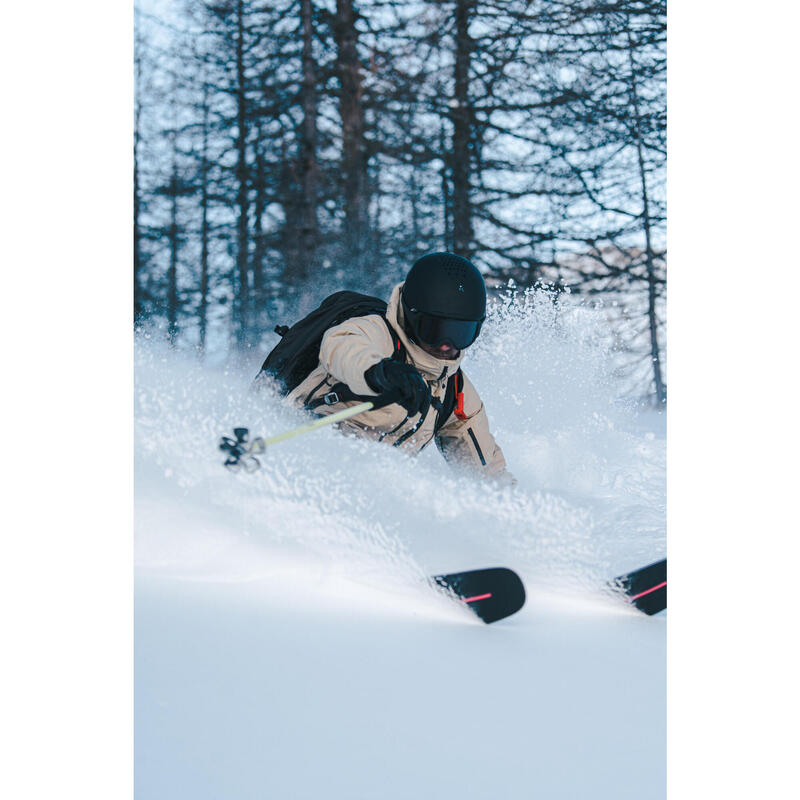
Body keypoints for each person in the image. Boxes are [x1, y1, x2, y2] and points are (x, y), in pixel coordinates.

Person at [285, 252, 513, 484]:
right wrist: (380, 372)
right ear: (412, 318)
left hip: (364, 494)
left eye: (460, 334)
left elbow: (487, 473)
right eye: (434, 330)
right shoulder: (377, 332)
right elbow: (341, 345)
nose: (446, 344)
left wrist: (512, 508)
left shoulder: (454, 392)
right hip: (300, 458)